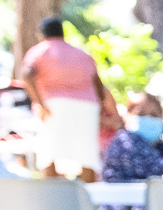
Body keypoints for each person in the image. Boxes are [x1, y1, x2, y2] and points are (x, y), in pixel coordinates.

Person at [20, 16, 108, 179]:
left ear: (41, 34)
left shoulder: (40, 50)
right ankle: (89, 196)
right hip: (87, 106)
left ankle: (51, 194)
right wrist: (101, 106)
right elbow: (98, 82)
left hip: (54, 104)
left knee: (49, 153)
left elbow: (27, 73)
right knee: (87, 154)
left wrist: (39, 102)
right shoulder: (81, 54)